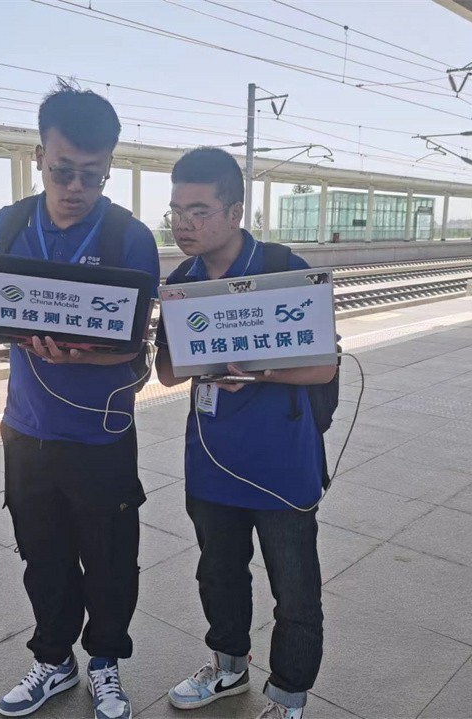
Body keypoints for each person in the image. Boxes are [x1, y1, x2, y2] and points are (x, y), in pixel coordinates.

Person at [0, 82, 160, 719]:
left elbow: (134, 349)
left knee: (110, 559)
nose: (76, 187)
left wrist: (79, 355)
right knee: (42, 555)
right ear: (39, 158)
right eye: (62, 170)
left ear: (109, 167)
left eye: (92, 175)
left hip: (101, 433)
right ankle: (54, 660)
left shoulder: (130, 238)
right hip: (26, 430)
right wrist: (15, 332)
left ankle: (104, 663)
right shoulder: (10, 225)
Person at [154, 148, 336, 719]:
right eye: (176, 210)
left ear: (235, 212)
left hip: (282, 463)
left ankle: (288, 697)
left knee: (295, 587)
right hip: (211, 459)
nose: (184, 224)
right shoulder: (180, 282)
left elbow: (323, 367)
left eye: (199, 211)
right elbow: (167, 372)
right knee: (218, 573)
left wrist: (258, 371)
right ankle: (229, 667)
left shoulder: (283, 269)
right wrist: (203, 361)